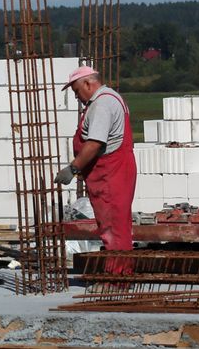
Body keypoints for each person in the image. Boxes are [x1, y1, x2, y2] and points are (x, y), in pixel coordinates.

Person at [54, 65, 136, 269]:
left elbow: (94, 143)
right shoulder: (111, 98)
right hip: (114, 172)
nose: (76, 97)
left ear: (88, 83)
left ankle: (117, 280)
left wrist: (72, 169)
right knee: (115, 227)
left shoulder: (101, 104)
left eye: (76, 91)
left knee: (113, 229)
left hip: (110, 175)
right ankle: (118, 276)